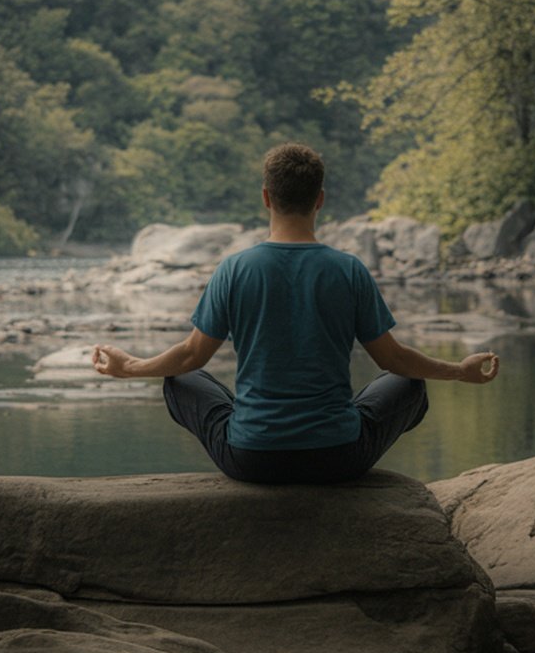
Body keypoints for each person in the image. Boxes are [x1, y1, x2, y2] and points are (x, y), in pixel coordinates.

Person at [92, 141, 499, 484]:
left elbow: (190, 357)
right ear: (320, 199)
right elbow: (393, 359)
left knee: (180, 380)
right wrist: (458, 371)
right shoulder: (348, 269)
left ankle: (256, 424)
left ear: (266, 197)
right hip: (338, 457)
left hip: (252, 459)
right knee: (409, 384)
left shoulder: (234, 269)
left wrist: (129, 366)